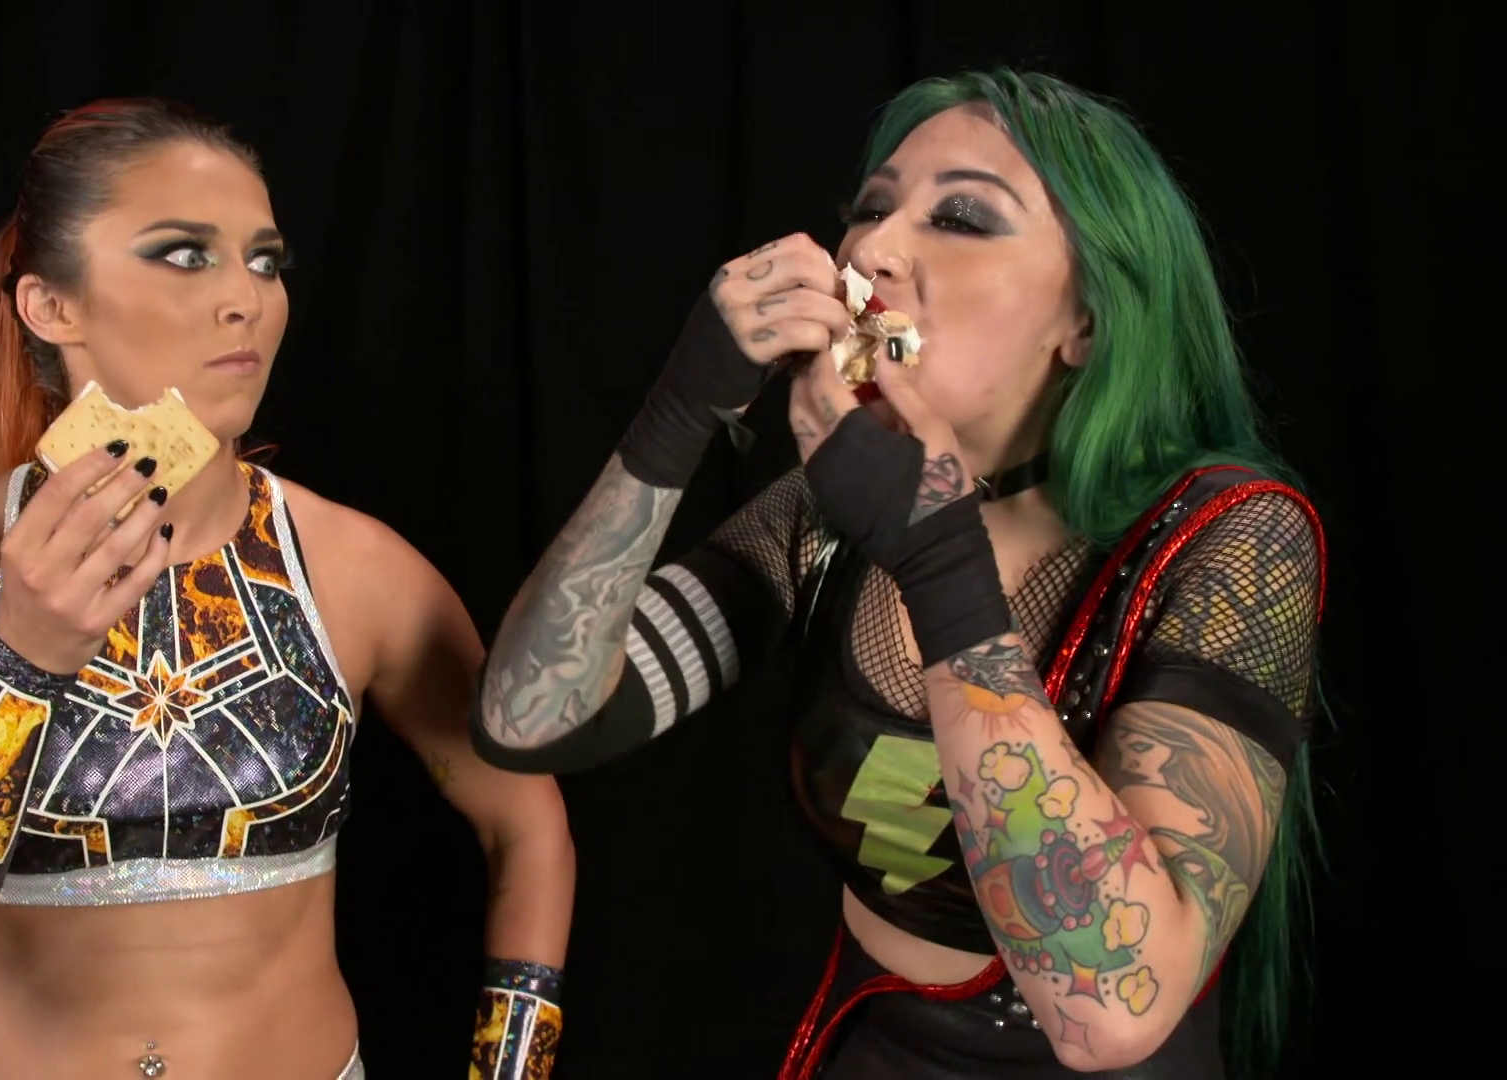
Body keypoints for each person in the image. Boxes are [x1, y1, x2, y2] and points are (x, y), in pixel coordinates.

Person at [473, 69, 1325, 1079]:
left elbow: (1111, 1008)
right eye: (872, 209)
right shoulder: (822, 514)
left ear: (1088, 320)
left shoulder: (1234, 537)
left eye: (961, 218)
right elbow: (531, 718)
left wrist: (936, 554)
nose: (870, 251)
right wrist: (674, 419)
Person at [0, 98, 575, 1080]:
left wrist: (510, 1069)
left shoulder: (355, 568)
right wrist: (23, 667)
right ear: (51, 306)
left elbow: (528, 822)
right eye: (184, 255)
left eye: (264, 260)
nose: (246, 298)